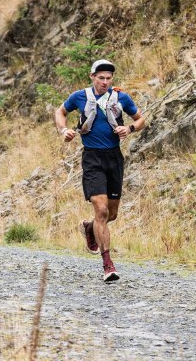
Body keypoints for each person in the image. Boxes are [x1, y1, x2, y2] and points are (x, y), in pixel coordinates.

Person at [53, 59, 145, 283]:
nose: (105, 82)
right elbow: (60, 112)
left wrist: (129, 128)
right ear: (92, 76)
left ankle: (89, 228)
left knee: (111, 214)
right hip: (92, 158)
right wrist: (64, 130)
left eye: (108, 78)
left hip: (114, 158)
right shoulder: (79, 96)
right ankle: (108, 265)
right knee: (101, 211)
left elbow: (141, 118)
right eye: (101, 78)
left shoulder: (121, 97)